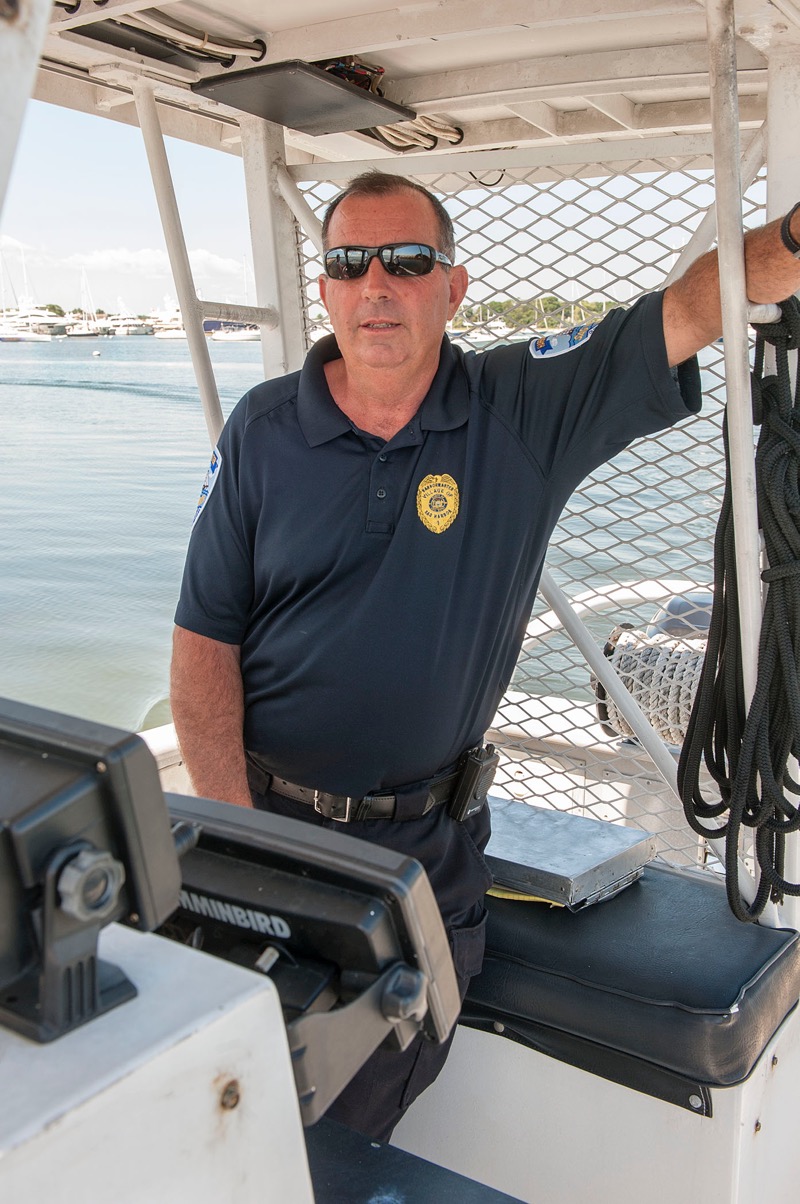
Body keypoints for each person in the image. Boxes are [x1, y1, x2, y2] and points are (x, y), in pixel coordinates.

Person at [171, 174, 800, 1140]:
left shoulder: (520, 408)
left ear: (453, 287)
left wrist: (794, 238)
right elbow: (203, 645)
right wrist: (239, 836)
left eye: (407, 261)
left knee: (315, 1137)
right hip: (260, 836)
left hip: (415, 864)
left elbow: (687, 306)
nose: (377, 284)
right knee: (179, 1100)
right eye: (351, 264)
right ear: (328, 291)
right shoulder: (261, 430)